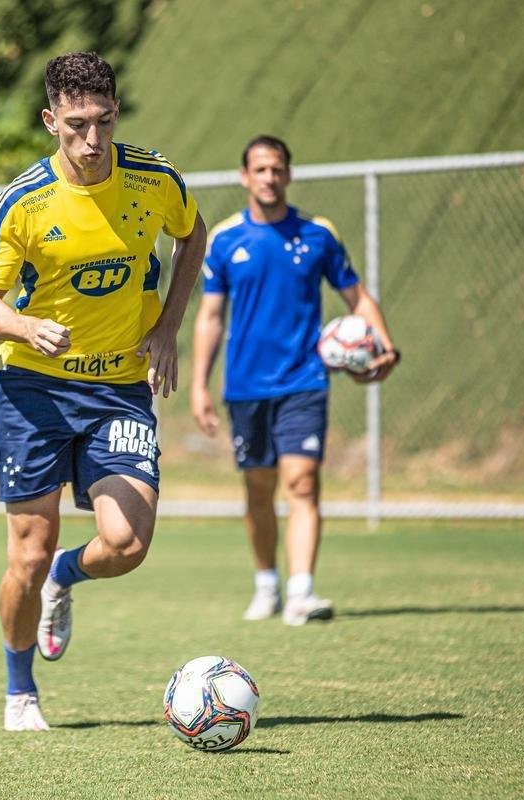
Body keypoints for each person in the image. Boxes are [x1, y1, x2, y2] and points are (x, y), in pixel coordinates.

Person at [0, 52, 206, 731]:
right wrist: (23, 323)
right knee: (26, 553)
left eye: (103, 122)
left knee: (127, 543)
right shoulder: (25, 202)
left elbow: (194, 237)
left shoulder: (155, 180)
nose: (93, 141)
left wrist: (167, 327)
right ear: (51, 122)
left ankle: (65, 578)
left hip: (120, 388)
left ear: (116, 114)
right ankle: (20, 692)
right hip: (33, 392)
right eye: (76, 125)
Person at [189, 135, 399, 627]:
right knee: (259, 493)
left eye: (277, 168)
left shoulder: (318, 234)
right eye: (260, 169)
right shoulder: (224, 240)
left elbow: (358, 299)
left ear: (289, 174)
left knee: (302, 484)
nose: (269, 177)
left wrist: (384, 345)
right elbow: (210, 317)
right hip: (245, 386)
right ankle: (268, 584)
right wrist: (199, 385)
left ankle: (302, 591)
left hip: (305, 380)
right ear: (245, 177)